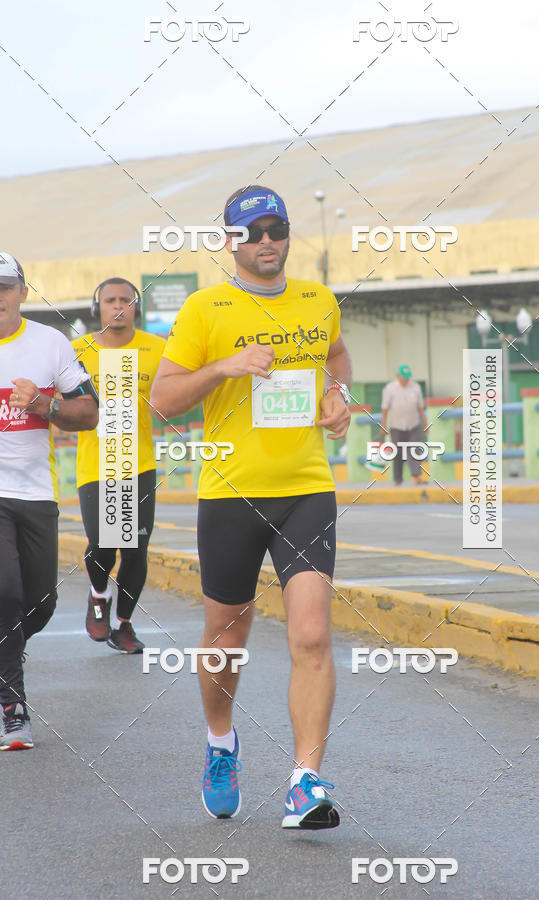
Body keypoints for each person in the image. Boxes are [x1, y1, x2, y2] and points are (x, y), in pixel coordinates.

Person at [151, 186, 352, 829]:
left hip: (306, 487)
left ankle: (305, 782)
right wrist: (226, 367)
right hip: (231, 495)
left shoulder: (318, 301)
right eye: (253, 230)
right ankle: (220, 743)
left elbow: (336, 355)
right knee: (227, 639)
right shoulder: (204, 309)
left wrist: (338, 395)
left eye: (277, 228)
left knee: (313, 633)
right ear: (230, 242)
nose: (268, 240)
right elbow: (162, 399)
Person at [0, 252, 98, 750]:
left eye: (4, 287)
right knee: (5, 592)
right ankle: (13, 708)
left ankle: (3, 657)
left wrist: (42, 403)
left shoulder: (49, 343)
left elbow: (88, 412)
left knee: (38, 605)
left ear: (22, 291)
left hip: (36, 492)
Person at [72, 278, 165, 654]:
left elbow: (178, 390)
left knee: (135, 550)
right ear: (98, 308)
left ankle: (123, 625)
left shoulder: (158, 349)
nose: (118, 306)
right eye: (109, 300)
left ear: (135, 307)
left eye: (125, 300)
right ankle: (98, 595)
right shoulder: (78, 350)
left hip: (138, 463)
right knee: (103, 544)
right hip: (95, 464)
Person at [380, 364, 428, 485]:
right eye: (403, 377)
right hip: (396, 426)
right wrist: (383, 425)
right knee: (398, 452)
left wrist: (425, 424)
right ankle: (398, 479)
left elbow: (421, 407)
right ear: (398, 376)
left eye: (407, 378)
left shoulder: (416, 387)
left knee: (414, 450)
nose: (405, 380)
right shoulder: (389, 388)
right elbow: (385, 409)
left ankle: (417, 477)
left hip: (413, 424)